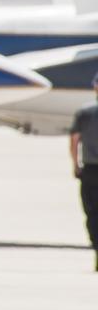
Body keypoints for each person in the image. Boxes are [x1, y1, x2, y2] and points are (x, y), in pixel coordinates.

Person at [68, 73, 98, 271]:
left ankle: (97, 247)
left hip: (90, 168)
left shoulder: (85, 111)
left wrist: (75, 164)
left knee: (92, 212)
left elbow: (74, 140)